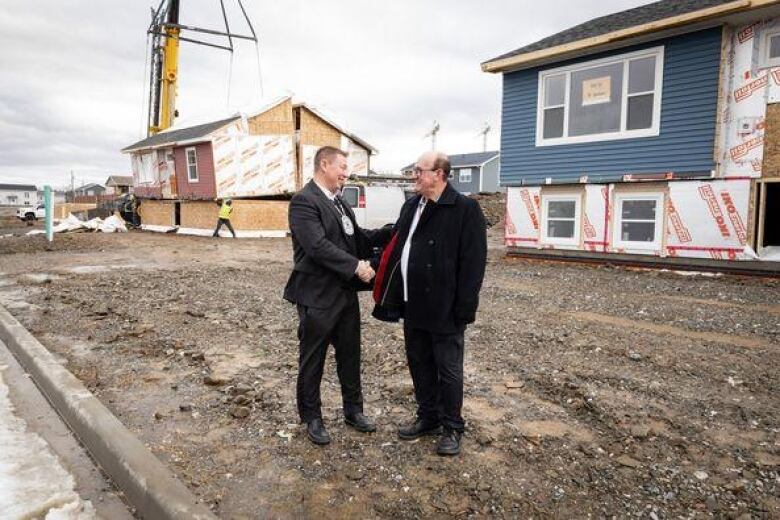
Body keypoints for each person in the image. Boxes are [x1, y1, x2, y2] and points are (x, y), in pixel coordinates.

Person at [372, 151, 487, 456]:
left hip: (445, 307)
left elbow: (474, 263)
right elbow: (396, 241)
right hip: (413, 303)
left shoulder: (464, 209)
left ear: (439, 174)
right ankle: (429, 417)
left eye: (419, 171)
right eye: (414, 171)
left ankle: (452, 426)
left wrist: (465, 307)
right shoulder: (412, 205)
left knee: (448, 370)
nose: (414, 177)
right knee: (419, 363)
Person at [284, 146, 392, 446]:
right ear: (324, 164)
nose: (346, 173)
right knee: (313, 359)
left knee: (350, 355)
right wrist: (357, 267)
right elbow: (317, 246)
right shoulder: (304, 201)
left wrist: (392, 233)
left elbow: (357, 238)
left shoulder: (341, 202)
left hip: (344, 295)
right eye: (342, 167)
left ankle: (353, 411)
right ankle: (312, 418)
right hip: (316, 296)